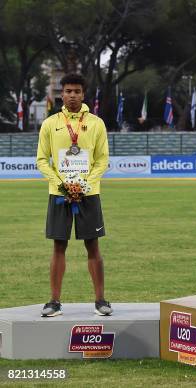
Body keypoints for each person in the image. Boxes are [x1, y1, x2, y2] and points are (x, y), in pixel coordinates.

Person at [36, 73, 112, 317]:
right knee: (59, 245)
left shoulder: (96, 123)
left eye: (77, 91)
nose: (72, 96)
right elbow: (41, 160)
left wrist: (84, 186)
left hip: (88, 194)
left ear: (83, 94)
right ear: (61, 94)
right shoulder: (50, 123)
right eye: (68, 91)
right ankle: (54, 302)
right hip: (59, 193)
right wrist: (62, 185)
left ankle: (100, 300)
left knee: (93, 245)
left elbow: (102, 160)